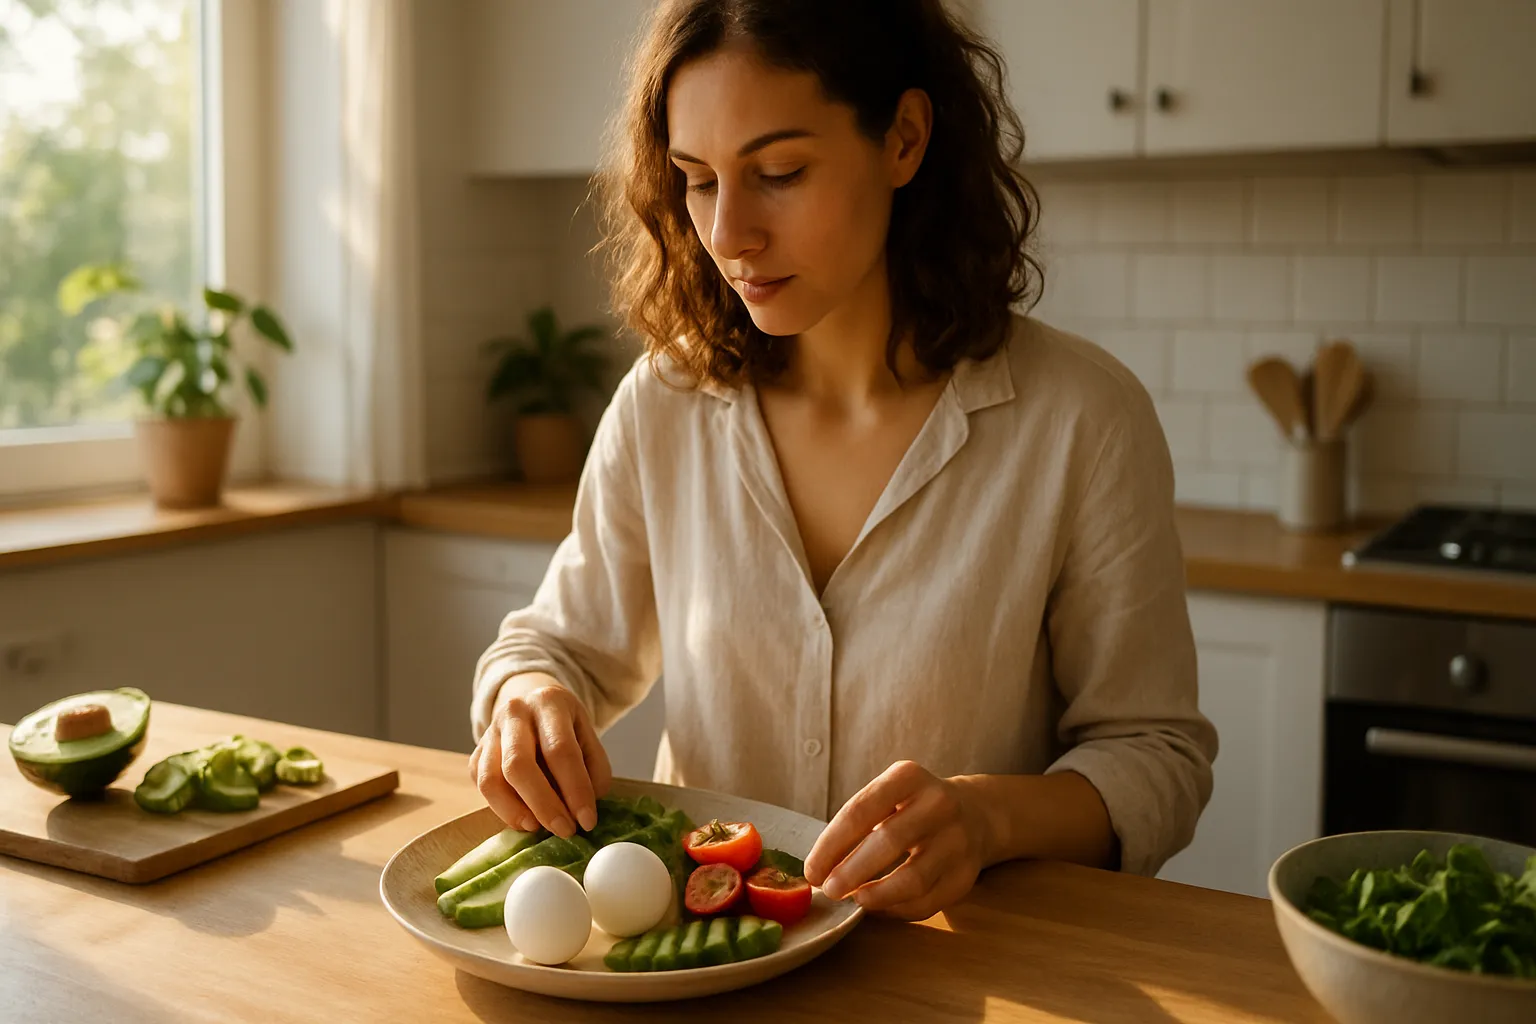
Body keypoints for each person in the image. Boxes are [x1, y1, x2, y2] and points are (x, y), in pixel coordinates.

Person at [468, 0, 1217, 921]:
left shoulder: (1083, 420)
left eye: (779, 171)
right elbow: (555, 646)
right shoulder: (664, 403)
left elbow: (1155, 755)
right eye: (697, 180)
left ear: (904, 139)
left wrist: (988, 818)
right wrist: (527, 696)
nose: (730, 233)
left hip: (966, 976)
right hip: (707, 968)